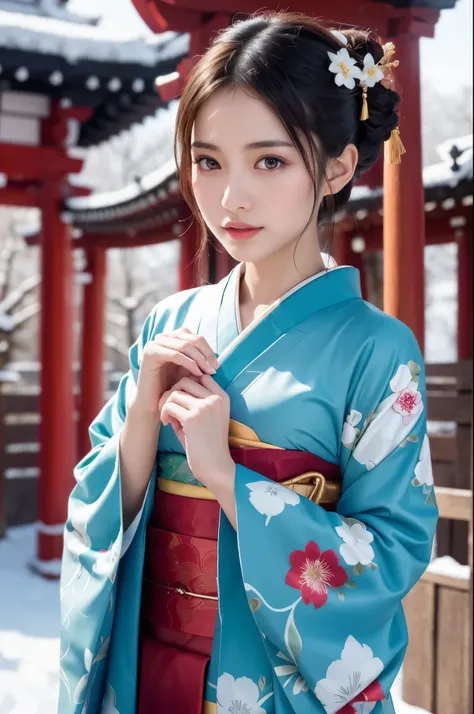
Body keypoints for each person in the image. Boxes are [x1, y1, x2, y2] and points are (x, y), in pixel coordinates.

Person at [58, 11, 438, 714]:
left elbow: (392, 555)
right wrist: (143, 422)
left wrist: (227, 479)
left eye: (269, 161)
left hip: (263, 686)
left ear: (337, 167)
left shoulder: (378, 351)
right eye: (208, 161)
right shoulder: (171, 324)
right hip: (146, 675)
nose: (230, 197)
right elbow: (91, 511)